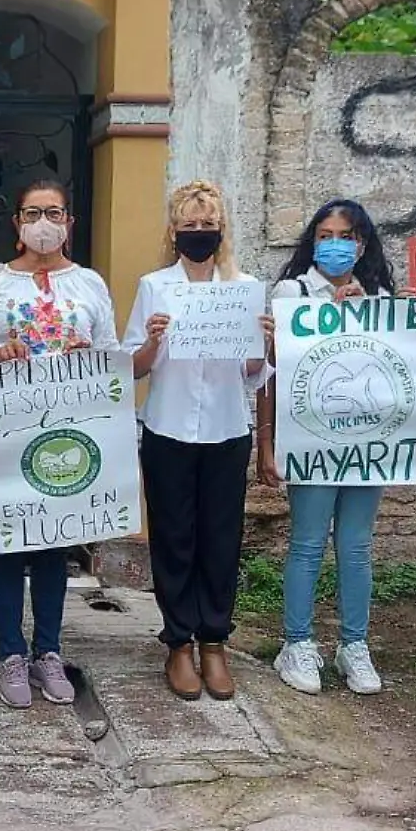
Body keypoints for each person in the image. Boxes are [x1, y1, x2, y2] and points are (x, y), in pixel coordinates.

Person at [0, 180, 119, 709]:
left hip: (68, 433)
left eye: (54, 212)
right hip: (9, 429)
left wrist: (86, 355)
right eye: (33, 212)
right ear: (18, 224)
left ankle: (48, 651)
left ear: (69, 223)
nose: (44, 222)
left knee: (55, 546)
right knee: (10, 545)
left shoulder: (91, 284)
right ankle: (10, 652)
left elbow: (111, 358)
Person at [123, 180, 272, 701]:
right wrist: (153, 341)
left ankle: (215, 641)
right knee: (174, 537)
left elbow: (253, 373)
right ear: (174, 230)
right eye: (190, 225)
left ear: (221, 231)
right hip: (167, 427)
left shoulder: (245, 289)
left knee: (220, 539)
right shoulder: (154, 286)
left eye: (208, 226)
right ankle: (178, 642)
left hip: (227, 429)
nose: (199, 233)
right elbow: (133, 369)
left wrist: (264, 341)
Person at [257, 199, 396, 697]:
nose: (335, 244)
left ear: (362, 244)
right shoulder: (291, 292)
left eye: (346, 235)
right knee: (309, 541)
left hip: (365, 441)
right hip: (311, 438)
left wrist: (362, 311)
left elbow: (397, 366)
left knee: (357, 545)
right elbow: (271, 376)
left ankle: (354, 644)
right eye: (325, 235)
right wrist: (266, 443)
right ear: (312, 242)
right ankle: (297, 642)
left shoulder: (379, 297)